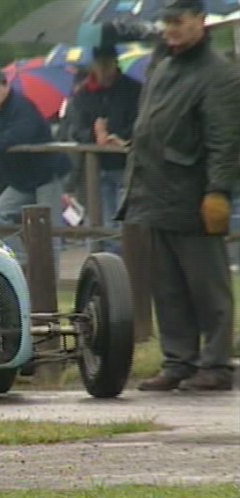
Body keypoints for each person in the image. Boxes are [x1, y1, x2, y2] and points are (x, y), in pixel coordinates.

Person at [116, 0, 240, 391]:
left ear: (200, 22)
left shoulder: (220, 74)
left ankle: (216, 363)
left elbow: (224, 141)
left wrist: (218, 191)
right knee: (166, 287)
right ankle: (179, 360)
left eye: (178, 21)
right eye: (166, 21)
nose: (170, 29)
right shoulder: (164, 66)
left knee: (208, 287)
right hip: (154, 190)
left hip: (193, 194)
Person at [0, 68, 71, 272]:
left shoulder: (22, 106)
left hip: (45, 175)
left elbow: (21, 134)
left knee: (48, 230)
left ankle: (51, 283)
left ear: (6, 87)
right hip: (21, 180)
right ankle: (23, 263)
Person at [69, 45, 141, 252]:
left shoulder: (132, 89)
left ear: (115, 64)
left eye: (108, 66)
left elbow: (140, 122)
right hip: (96, 167)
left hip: (125, 164)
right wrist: (95, 135)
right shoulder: (83, 94)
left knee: (124, 220)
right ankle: (104, 269)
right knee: (100, 222)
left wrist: (118, 136)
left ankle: (127, 267)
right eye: (99, 66)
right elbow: (76, 129)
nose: (103, 71)